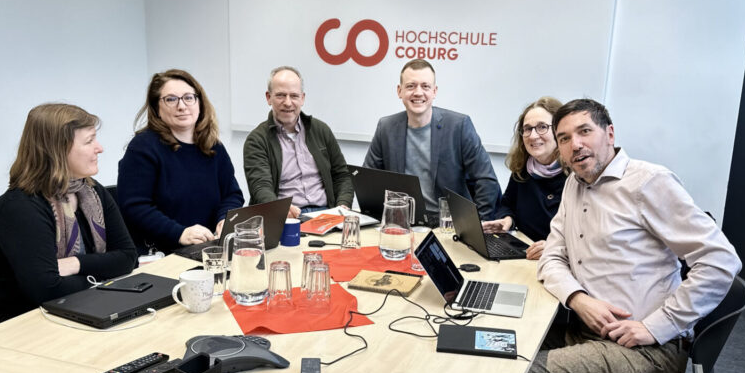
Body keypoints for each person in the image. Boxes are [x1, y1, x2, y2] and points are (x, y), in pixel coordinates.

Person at [507, 98, 741, 373]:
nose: (575, 145)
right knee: (497, 349)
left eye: (585, 131)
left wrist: (654, 326)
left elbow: (721, 261)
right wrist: (580, 299)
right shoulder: (574, 185)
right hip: (587, 330)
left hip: (647, 351)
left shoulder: (649, 182)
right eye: (565, 138)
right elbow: (552, 257)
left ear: (609, 134)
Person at [0, 104, 137, 337]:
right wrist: (105, 277)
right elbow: (48, 289)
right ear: (58, 150)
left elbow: (128, 258)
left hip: (58, 309)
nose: (99, 148)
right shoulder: (21, 207)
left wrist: (75, 265)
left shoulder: (90, 191)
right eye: (89, 141)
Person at [117, 68, 244, 253]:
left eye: (188, 97)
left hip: (209, 247)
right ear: (156, 108)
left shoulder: (213, 146)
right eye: (171, 99)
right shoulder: (143, 148)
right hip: (163, 252)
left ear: (199, 102)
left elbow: (232, 194)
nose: (182, 106)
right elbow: (135, 207)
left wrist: (224, 219)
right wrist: (179, 233)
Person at [364, 60, 501, 222]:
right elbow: (367, 180)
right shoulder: (386, 127)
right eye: (410, 86)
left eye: (425, 86)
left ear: (434, 91)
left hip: (449, 223)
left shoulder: (459, 126)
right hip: (403, 221)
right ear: (399, 91)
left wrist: (477, 224)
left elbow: (486, 180)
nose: (418, 92)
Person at [243, 66, 354, 218]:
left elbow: (342, 176)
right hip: (286, 216)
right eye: (281, 95)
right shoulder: (257, 140)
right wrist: (280, 209)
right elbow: (261, 188)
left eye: (294, 96)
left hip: (326, 214)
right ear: (268, 97)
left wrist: (343, 205)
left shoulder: (321, 130)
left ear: (302, 98)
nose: (288, 103)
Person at [483, 97, 566, 260]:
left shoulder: (576, 175)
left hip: (556, 261)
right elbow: (507, 204)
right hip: (523, 253)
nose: (533, 136)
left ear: (559, 130)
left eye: (542, 127)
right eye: (527, 129)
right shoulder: (523, 168)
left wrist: (556, 246)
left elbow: (585, 236)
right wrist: (507, 220)